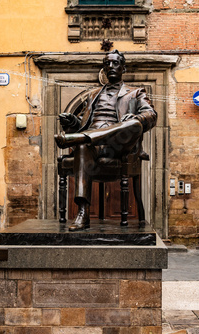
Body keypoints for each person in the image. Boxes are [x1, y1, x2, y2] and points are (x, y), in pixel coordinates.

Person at [54, 50, 157, 231]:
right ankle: (83, 213)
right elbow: (83, 123)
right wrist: (72, 123)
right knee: (84, 145)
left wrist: (135, 117)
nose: (110, 67)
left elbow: (151, 115)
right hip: (92, 144)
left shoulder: (136, 93)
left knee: (134, 124)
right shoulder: (92, 95)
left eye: (115, 63)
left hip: (118, 145)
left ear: (123, 68)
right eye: (107, 63)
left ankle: (79, 139)